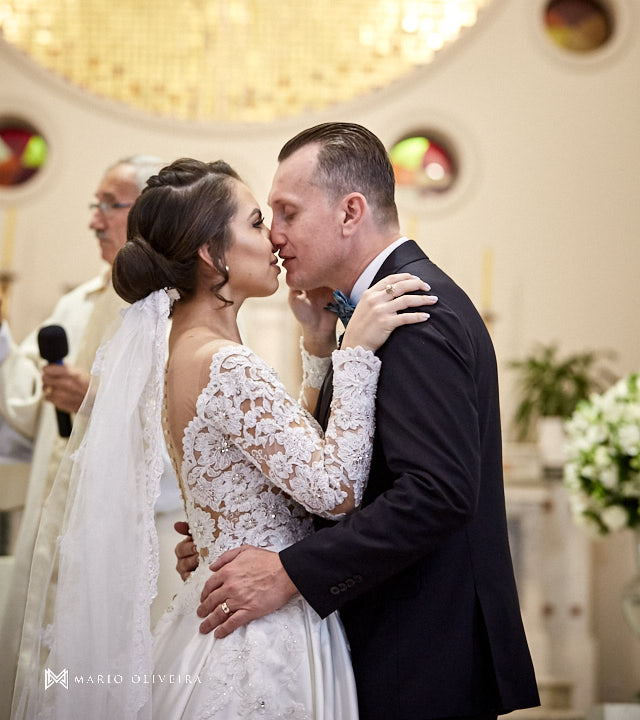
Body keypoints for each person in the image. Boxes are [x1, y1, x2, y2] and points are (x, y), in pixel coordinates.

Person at [12, 157, 435, 720]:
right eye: (258, 223)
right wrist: (354, 353)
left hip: (225, 606)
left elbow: (280, 463)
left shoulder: (182, 353)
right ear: (214, 254)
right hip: (260, 636)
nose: (276, 240)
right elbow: (336, 489)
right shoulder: (225, 364)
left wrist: (314, 345)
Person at [188, 123, 539, 720]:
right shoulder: (371, 314)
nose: (275, 234)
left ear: (351, 211)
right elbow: (341, 472)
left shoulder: (416, 312)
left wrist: (288, 573)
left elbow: (436, 494)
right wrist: (235, 519)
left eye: (288, 212)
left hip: (420, 651)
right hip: (395, 639)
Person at [0, 155, 183, 719]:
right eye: (94, 205)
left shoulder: (175, 312)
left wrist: (100, 404)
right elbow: (21, 404)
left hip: (127, 537)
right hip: (49, 526)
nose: (95, 220)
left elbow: (192, 439)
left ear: (149, 212)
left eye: (111, 204)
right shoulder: (73, 305)